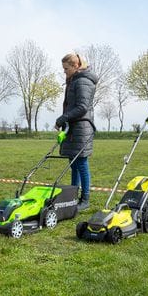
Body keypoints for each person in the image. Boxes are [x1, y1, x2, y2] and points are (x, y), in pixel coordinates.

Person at [55, 53, 98, 211]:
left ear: (75, 66)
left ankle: (85, 199)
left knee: (81, 163)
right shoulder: (74, 80)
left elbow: (82, 107)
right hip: (73, 127)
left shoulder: (83, 81)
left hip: (81, 127)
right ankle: (73, 195)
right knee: (74, 164)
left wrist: (62, 118)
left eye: (66, 69)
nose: (64, 72)